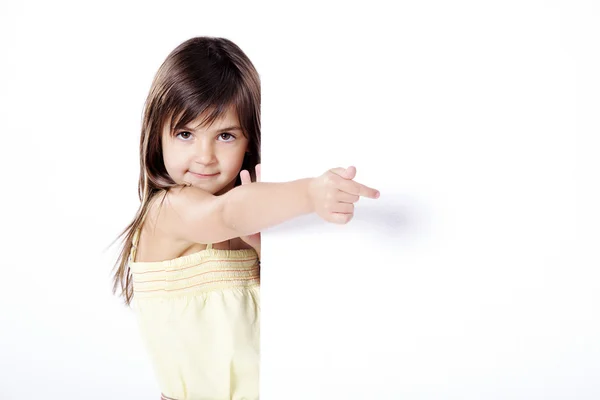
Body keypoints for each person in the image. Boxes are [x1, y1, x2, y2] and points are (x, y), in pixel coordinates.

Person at [111, 36, 380, 400]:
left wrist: (264, 252)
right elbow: (227, 212)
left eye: (224, 135)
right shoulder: (169, 210)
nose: (205, 156)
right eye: (186, 134)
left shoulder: (249, 224)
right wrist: (309, 193)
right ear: (157, 135)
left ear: (248, 140)